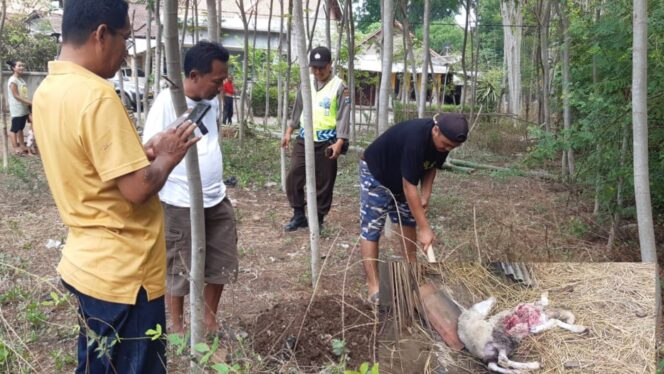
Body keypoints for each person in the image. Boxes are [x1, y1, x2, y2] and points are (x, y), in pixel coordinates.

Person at [31, 1, 199, 372]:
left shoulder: (48, 91)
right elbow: (137, 189)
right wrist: (168, 156)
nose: (125, 52)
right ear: (101, 34)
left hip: (87, 264)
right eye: (126, 37)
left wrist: (142, 150)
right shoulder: (97, 95)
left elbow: (87, 162)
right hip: (126, 275)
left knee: (96, 364)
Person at [142, 41, 239, 337]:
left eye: (223, 80)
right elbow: (148, 150)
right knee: (178, 264)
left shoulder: (209, 103)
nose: (222, 86)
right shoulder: (166, 104)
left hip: (215, 196)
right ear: (194, 75)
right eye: (217, 80)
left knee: (221, 257)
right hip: (178, 199)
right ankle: (178, 325)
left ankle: (209, 320)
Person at [358, 113, 469, 304]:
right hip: (377, 172)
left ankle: (412, 275)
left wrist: (426, 194)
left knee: (407, 221)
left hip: (401, 175)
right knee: (371, 228)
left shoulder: (445, 140)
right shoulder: (416, 139)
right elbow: (409, 187)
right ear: (435, 130)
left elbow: (431, 166)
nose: (448, 149)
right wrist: (425, 228)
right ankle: (374, 287)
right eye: (446, 144)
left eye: (452, 146)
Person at [281, 46, 350, 232]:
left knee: (325, 181)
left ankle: (318, 219)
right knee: (294, 175)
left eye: (322, 67)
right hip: (304, 139)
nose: (318, 71)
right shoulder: (306, 82)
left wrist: (340, 141)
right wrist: (289, 130)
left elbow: (344, 116)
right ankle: (298, 215)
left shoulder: (340, 86)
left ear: (330, 65)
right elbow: (298, 107)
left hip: (328, 141)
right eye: (314, 67)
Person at [6, 60, 32, 155]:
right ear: (13, 68)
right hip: (17, 109)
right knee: (15, 129)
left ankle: (22, 144)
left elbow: (23, 94)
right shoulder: (13, 80)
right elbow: (16, 96)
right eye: (19, 66)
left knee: (21, 128)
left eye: (22, 65)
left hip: (23, 108)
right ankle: (15, 147)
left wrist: (27, 104)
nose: (22, 67)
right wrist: (30, 102)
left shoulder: (21, 79)